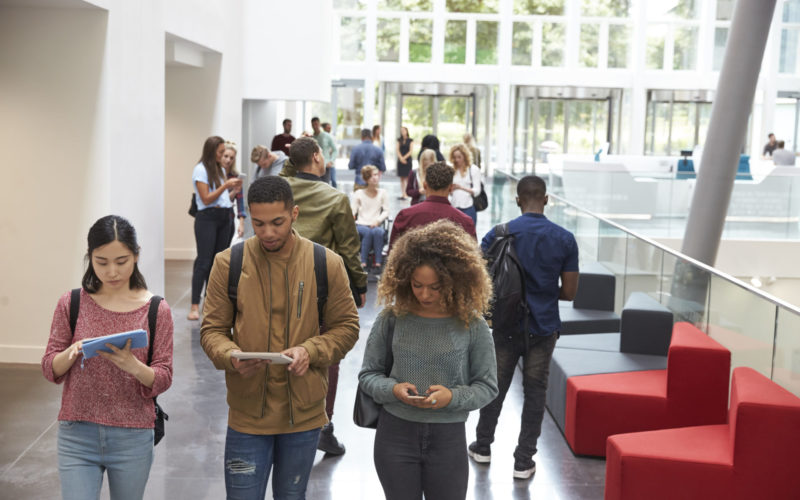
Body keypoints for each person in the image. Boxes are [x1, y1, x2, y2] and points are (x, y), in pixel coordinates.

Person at [200, 176, 359, 499]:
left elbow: (346, 327)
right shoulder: (228, 263)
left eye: (277, 222)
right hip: (247, 415)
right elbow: (212, 330)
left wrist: (310, 351)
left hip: (303, 416)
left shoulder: (325, 263)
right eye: (258, 223)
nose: (268, 232)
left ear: (294, 214)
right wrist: (230, 355)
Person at [359, 219, 498, 500]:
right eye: (417, 285)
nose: (424, 294)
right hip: (394, 434)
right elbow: (368, 375)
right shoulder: (391, 319)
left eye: (435, 287)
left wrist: (453, 397)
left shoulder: (472, 325)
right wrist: (393, 389)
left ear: (454, 281)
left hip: (448, 438)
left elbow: (488, 386)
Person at [42, 215, 174, 500]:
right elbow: (50, 368)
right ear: (90, 258)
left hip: (133, 436)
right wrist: (72, 351)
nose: (112, 271)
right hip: (77, 433)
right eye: (101, 262)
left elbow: (163, 376)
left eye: (121, 261)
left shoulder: (156, 310)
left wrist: (133, 365)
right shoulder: (72, 302)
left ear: (136, 256)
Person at [468, 175, 579, 481]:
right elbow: (569, 292)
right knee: (535, 392)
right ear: (546, 199)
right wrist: (542, 292)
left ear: (518, 200)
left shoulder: (498, 234)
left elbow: (479, 280)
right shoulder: (565, 238)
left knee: (495, 386)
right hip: (543, 328)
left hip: (505, 325)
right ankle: (523, 460)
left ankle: (483, 445)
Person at [280, 137, 368, 455]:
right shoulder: (333, 197)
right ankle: (322, 426)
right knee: (326, 355)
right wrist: (359, 286)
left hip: (276, 283)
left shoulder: (279, 189)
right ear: (317, 156)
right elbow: (347, 248)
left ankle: (283, 422)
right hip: (319, 288)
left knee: (279, 349)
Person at [189, 136, 242, 321]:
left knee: (217, 263)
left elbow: (222, 198)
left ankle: (209, 303)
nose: (223, 156)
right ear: (212, 152)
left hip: (224, 217)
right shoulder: (200, 169)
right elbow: (206, 199)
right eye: (220, 152)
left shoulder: (218, 169)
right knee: (203, 262)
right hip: (207, 219)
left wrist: (233, 190)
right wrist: (226, 185)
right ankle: (194, 305)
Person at [389, 161, 476, 253]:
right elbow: (474, 258)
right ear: (451, 188)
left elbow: (392, 255)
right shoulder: (465, 222)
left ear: (425, 185)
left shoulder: (405, 216)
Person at [352, 165, 389, 270]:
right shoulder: (359, 193)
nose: (375, 178)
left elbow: (386, 211)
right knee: (368, 232)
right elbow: (353, 211)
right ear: (366, 178)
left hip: (375, 223)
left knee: (377, 232)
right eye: (372, 175)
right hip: (361, 224)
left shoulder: (383, 193)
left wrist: (378, 221)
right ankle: (363, 262)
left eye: (377, 175)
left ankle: (378, 263)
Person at [449, 143, 483, 226]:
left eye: (459, 157)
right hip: (454, 206)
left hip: (468, 207)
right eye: (455, 157)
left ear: (465, 156)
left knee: (469, 236)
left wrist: (461, 187)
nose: (457, 160)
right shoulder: (452, 170)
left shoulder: (473, 169)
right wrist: (451, 189)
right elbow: (449, 192)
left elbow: (477, 191)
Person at [222, 141, 246, 243]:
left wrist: (241, 224)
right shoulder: (213, 176)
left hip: (229, 218)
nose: (228, 160)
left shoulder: (235, 176)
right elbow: (218, 199)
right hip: (213, 218)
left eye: (231, 158)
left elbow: (240, 202)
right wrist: (232, 192)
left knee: (224, 252)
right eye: (226, 156)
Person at [311, 116, 338, 188]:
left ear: (319, 124)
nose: (315, 126)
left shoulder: (327, 136)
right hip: (315, 167)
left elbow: (335, 150)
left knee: (326, 187)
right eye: (313, 124)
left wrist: (331, 161)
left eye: (316, 124)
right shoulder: (311, 137)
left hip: (325, 166)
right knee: (316, 187)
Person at [396, 126, 413, 200]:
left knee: (407, 177)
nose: (402, 132)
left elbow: (410, 151)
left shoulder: (411, 140)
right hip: (400, 161)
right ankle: (403, 193)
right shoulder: (399, 140)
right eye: (401, 131)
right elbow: (397, 150)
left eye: (404, 130)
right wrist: (401, 158)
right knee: (402, 178)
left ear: (407, 131)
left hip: (407, 160)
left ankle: (406, 193)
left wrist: (404, 158)